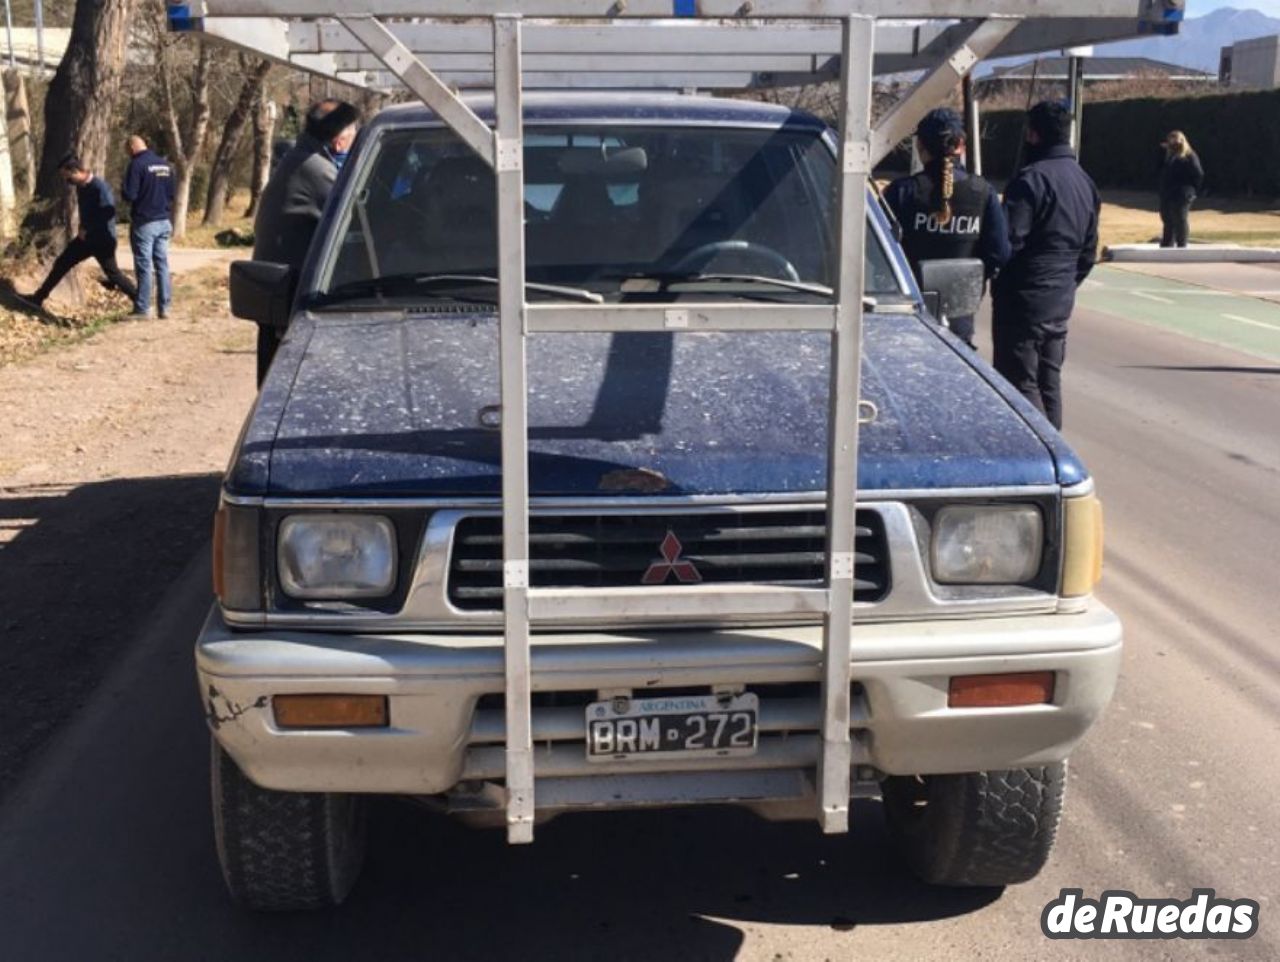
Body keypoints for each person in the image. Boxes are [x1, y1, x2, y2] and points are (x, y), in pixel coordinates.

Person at [991, 101, 1100, 431]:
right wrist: (1065, 283)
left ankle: (1037, 456)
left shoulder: (1030, 181)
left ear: (1033, 135)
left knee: (1020, 384)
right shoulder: (1085, 182)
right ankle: (1056, 452)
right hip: (1060, 299)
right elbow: (1088, 252)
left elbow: (1008, 243)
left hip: (1023, 299)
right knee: (1049, 382)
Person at [883, 108, 1009, 348]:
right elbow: (999, 253)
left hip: (907, 314)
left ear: (920, 147)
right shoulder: (983, 192)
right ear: (961, 144)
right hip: (959, 319)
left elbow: (876, 253)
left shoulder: (901, 193)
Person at [252, 98, 359, 382]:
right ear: (338, 141)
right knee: (285, 384)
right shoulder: (317, 170)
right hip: (291, 296)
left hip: (278, 290)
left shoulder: (298, 158)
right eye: (351, 139)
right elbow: (358, 217)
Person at [20, 154, 140, 314]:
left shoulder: (99, 188)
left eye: (66, 175)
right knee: (62, 263)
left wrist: (87, 228)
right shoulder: (81, 186)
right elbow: (88, 212)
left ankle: (140, 300)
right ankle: (38, 298)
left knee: (113, 274)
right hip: (86, 240)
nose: (66, 180)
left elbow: (108, 213)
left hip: (102, 239)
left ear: (75, 170)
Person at [122, 135, 176, 318]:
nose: (128, 155)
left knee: (144, 265)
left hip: (145, 222)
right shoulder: (165, 165)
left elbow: (130, 194)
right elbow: (172, 193)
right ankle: (165, 307)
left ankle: (143, 307)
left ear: (132, 147)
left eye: (127, 151)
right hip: (164, 220)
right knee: (162, 264)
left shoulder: (136, 165)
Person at [1158, 130, 1204, 249]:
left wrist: (1192, 190)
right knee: (1167, 218)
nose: (1172, 145)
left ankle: (1182, 244)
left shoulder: (1189, 155)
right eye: (1170, 142)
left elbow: (1198, 174)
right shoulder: (1170, 157)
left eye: (1175, 142)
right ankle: (1167, 244)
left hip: (1184, 193)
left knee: (1180, 217)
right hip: (1168, 193)